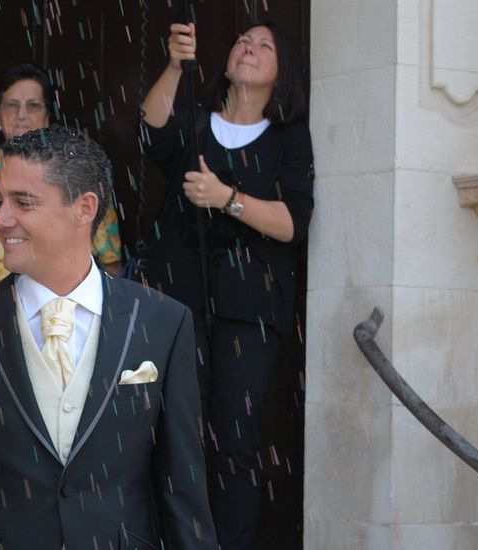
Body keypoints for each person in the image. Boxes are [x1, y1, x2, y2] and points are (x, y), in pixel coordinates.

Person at [0, 125, 217, 550]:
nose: (1, 220)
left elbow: (183, 497)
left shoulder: (163, 323)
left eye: (23, 202)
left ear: (84, 209)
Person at [140, 20, 314, 550]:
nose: (249, 47)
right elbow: (151, 130)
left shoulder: (288, 137)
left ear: (282, 74)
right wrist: (174, 64)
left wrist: (226, 197)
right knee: (176, 440)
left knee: (234, 448)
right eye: (242, 40)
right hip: (180, 306)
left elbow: (292, 223)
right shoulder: (194, 121)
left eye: (265, 45)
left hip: (250, 315)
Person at [0, 62, 122, 294]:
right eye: (12, 105)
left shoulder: (77, 171)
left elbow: (111, 262)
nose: (21, 115)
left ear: (47, 115)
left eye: (33, 106)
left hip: (60, 311)